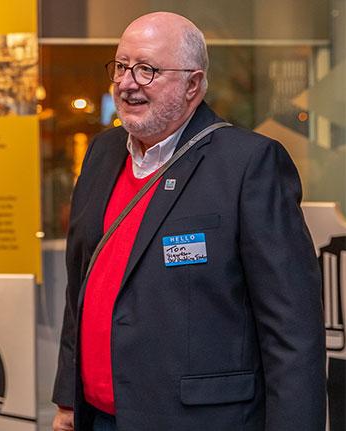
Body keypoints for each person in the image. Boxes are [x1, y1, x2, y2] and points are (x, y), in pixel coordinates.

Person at [52, 12, 326, 431]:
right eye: (121, 66)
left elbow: (292, 332)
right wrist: (68, 400)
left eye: (147, 70)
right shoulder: (102, 153)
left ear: (192, 85)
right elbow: (81, 284)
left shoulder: (248, 165)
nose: (127, 83)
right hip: (100, 418)